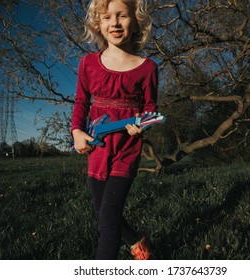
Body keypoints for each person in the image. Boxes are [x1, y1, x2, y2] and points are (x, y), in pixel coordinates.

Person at [71, 0, 157, 260]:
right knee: (101, 212)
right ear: (98, 23)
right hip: (98, 148)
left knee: (108, 213)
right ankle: (135, 240)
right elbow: (81, 102)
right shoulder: (88, 63)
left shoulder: (148, 67)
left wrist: (141, 125)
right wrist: (76, 131)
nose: (115, 23)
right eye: (107, 17)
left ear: (136, 21)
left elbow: (151, 107)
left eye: (122, 16)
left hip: (127, 149)